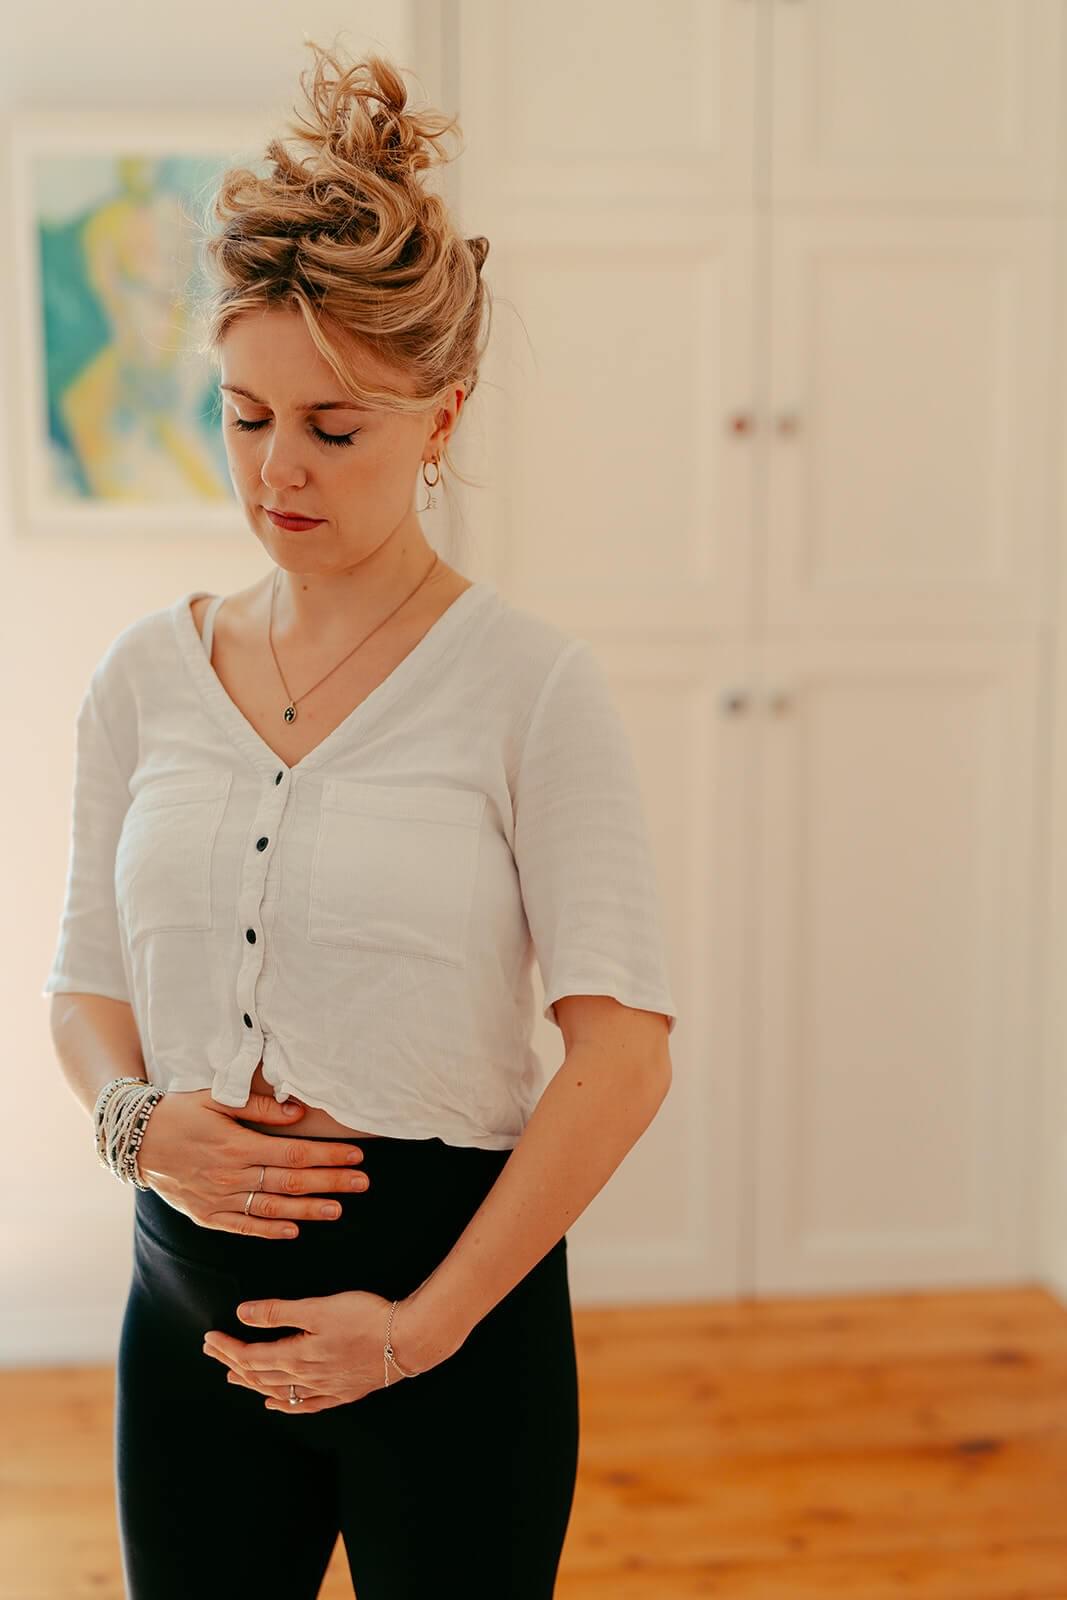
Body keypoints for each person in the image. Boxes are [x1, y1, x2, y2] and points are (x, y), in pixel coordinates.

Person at [42, 39, 678, 1600]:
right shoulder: (143, 679)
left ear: (442, 418)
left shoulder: (530, 687)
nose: (280, 470)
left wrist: (416, 1329)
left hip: (452, 1333)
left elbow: (623, 1057)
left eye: (337, 428)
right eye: (246, 415)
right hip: (187, 1330)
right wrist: (134, 1122)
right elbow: (83, 989)